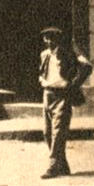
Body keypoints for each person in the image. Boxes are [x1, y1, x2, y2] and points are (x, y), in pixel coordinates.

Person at [38, 26, 92, 179]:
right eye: (46, 38)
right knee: (47, 132)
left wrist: (74, 84)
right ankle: (62, 165)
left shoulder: (67, 54)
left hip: (62, 96)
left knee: (58, 132)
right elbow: (41, 72)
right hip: (47, 95)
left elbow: (87, 67)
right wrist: (42, 80)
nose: (49, 41)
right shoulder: (44, 55)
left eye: (52, 38)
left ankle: (53, 166)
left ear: (58, 39)